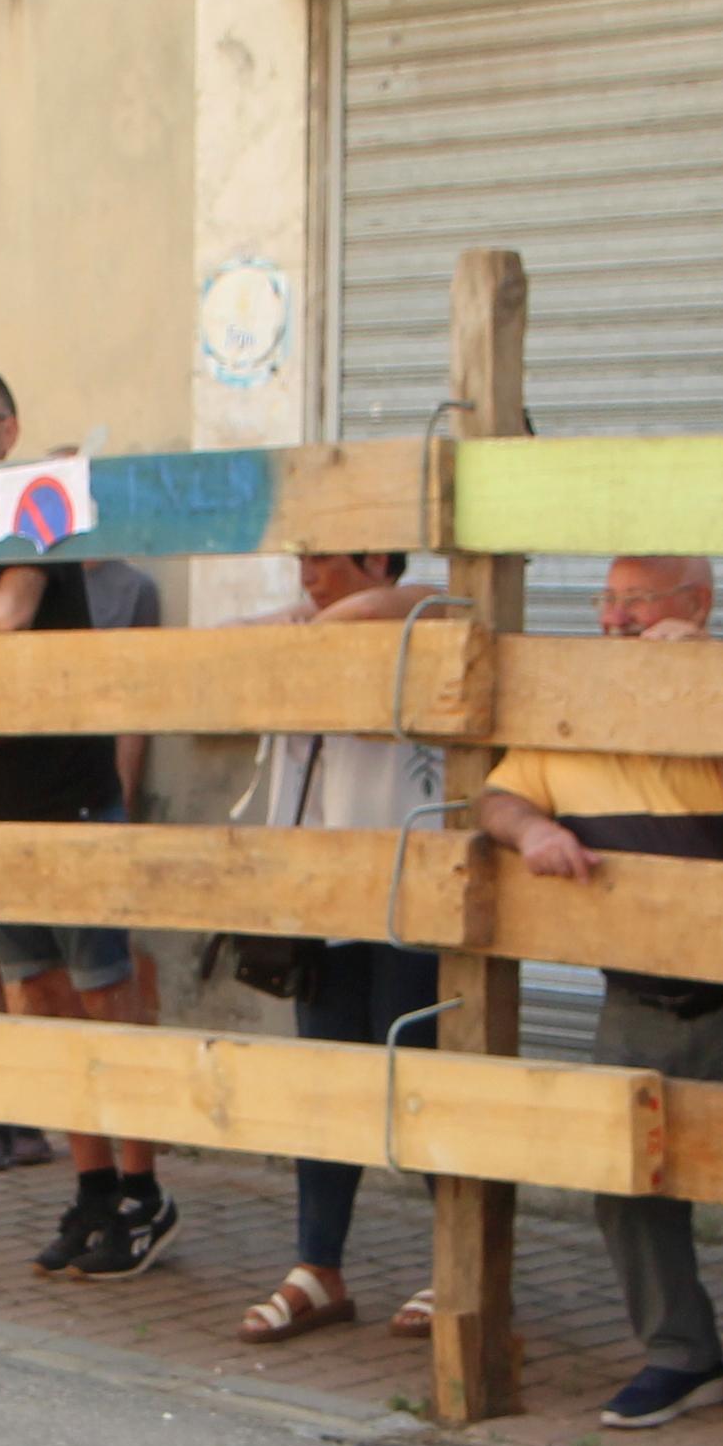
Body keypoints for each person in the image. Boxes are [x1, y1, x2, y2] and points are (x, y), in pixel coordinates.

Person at [474, 556, 723, 1429]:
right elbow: (496, 795)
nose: (616, 618)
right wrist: (534, 830)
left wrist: (704, 671)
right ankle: (679, 1351)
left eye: (637, 600)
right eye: (607, 599)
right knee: (625, 1178)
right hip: (636, 994)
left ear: (697, 604)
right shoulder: (576, 704)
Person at [0, 363, 175, 1278]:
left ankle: (144, 1189)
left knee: (105, 998)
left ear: (9, 430)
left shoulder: (39, 506)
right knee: (41, 1002)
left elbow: (12, 613)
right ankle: (93, 1190)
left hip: (70, 799)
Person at [232, 551, 448, 1346]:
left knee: (422, 1070)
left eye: (327, 559)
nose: (309, 575)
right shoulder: (302, 622)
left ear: (376, 558)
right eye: (304, 557)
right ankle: (318, 1263)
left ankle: (460, 1261)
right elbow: (219, 645)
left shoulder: (431, 605)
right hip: (321, 895)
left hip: (414, 893)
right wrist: (308, 625)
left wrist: (331, 621)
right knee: (327, 1079)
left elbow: (434, 601)